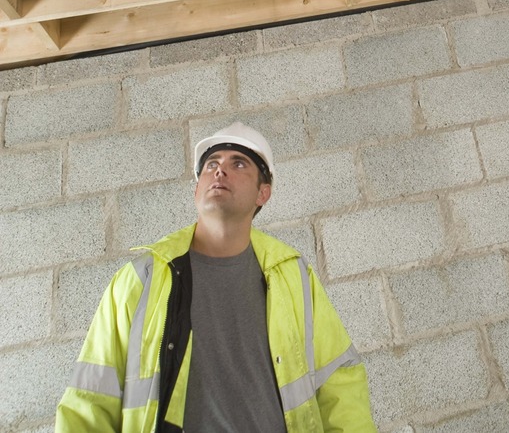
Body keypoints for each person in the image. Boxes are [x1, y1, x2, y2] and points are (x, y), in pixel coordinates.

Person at [55, 121, 377, 432]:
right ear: (196, 188)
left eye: (238, 164)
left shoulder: (293, 276)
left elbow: (339, 384)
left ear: (262, 193)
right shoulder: (141, 279)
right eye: (211, 164)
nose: (220, 170)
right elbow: (90, 401)